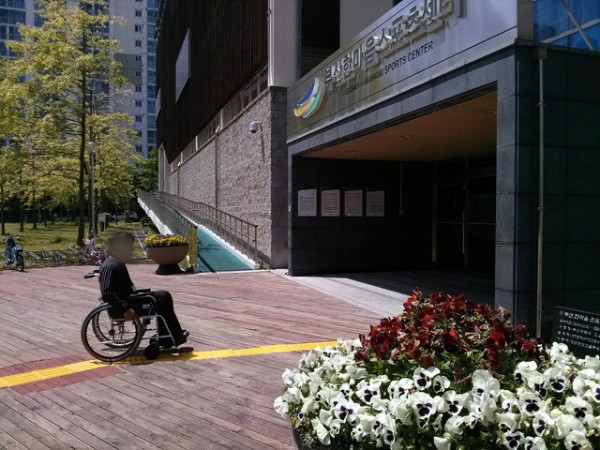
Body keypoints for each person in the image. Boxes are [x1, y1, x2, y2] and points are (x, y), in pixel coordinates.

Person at [99, 231, 189, 347]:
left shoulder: (117, 263)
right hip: (123, 305)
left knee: (163, 296)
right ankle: (168, 336)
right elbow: (107, 293)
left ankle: (170, 334)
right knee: (162, 297)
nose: (131, 249)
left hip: (130, 299)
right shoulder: (111, 266)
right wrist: (125, 308)